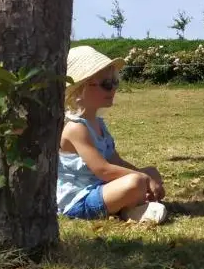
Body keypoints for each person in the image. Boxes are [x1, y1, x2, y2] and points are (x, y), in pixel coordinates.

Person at [56, 45, 168, 223]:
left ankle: (131, 206)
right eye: (106, 84)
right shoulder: (75, 128)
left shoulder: (98, 123)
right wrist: (143, 180)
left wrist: (146, 176)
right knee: (136, 182)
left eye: (115, 82)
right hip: (79, 200)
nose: (113, 89)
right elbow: (103, 170)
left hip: (101, 187)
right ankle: (130, 208)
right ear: (79, 89)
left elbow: (116, 161)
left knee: (150, 172)